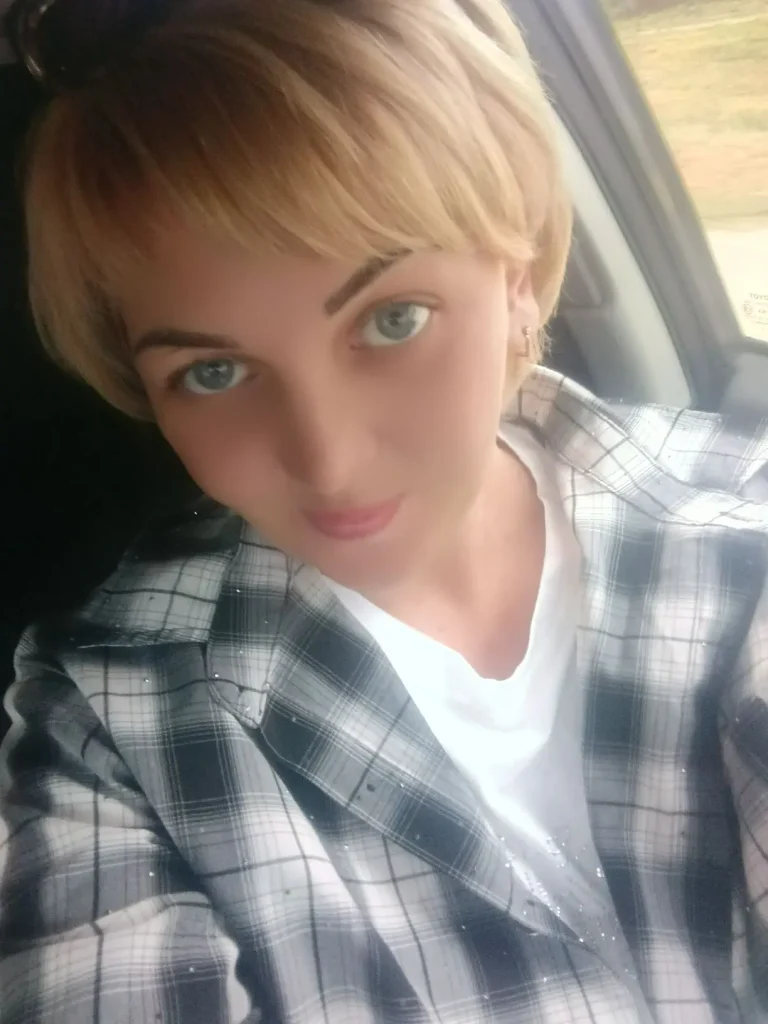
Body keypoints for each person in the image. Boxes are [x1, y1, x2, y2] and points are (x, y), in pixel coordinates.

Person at [1, 1, 766, 1021]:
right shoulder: (108, 714)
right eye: (214, 371)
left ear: (520, 279)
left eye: (393, 318)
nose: (328, 460)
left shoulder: (743, 527)